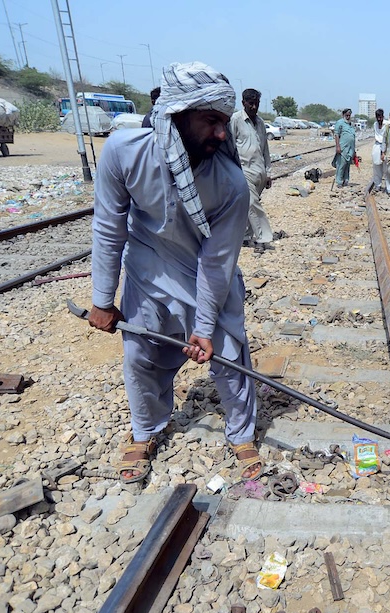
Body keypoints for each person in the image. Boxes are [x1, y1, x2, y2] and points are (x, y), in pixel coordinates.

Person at [89, 61, 262, 484]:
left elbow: (216, 261)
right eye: (211, 120)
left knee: (227, 354)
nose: (221, 134)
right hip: (147, 265)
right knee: (139, 354)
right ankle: (146, 430)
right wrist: (101, 298)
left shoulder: (232, 185)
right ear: (175, 115)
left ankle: (241, 433)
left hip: (204, 272)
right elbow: (109, 227)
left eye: (224, 121)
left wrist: (203, 327)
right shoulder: (122, 152)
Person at [229, 88, 274, 253]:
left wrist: (268, 173)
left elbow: (265, 150)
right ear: (243, 103)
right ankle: (263, 238)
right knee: (252, 205)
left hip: (260, 171)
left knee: (248, 207)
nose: (254, 107)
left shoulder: (261, 123)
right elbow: (229, 146)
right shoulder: (235, 120)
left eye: (257, 103)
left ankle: (246, 237)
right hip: (243, 170)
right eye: (251, 103)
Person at [333, 108, 357, 187]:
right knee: (341, 165)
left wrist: (354, 151)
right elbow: (336, 135)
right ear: (343, 115)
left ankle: (346, 180)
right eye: (346, 115)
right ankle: (339, 181)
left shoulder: (351, 124)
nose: (348, 116)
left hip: (351, 148)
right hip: (343, 147)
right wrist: (338, 147)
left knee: (347, 165)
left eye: (349, 115)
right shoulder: (340, 123)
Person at [371, 108, 385, 193]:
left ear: (383, 116)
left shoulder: (387, 124)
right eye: (377, 117)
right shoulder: (375, 124)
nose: (379, 119)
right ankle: (378, 185)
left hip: (385, 146)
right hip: (377, 146)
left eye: (380, 117)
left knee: (387, 168)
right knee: (376, 167)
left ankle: (389, 186)